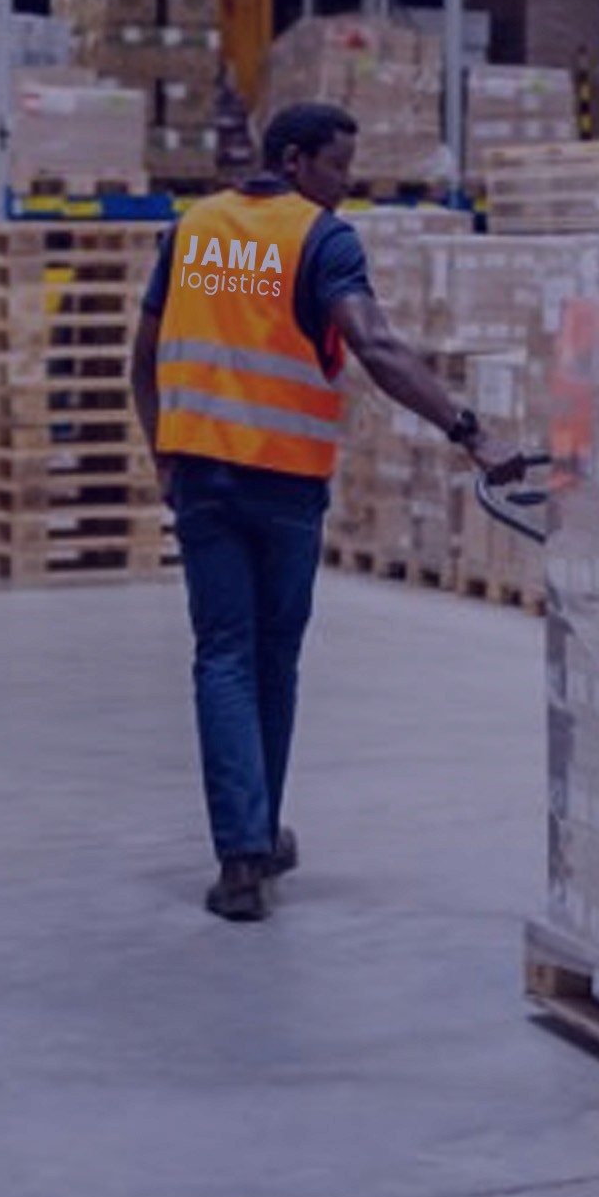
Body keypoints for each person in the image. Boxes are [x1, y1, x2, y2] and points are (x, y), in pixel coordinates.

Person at [132, 100, 515, 922]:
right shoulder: (321, 238)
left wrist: (160, 449)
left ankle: (247, 853)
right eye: (340, 165)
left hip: (201, 476)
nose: (348, 183)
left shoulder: (195, 232)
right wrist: (468, 430)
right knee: (269, 660)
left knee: (224, 657)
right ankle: (253, 839)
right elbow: (374, 347)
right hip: (281, 484)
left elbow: (145, 352)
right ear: (298, 159)